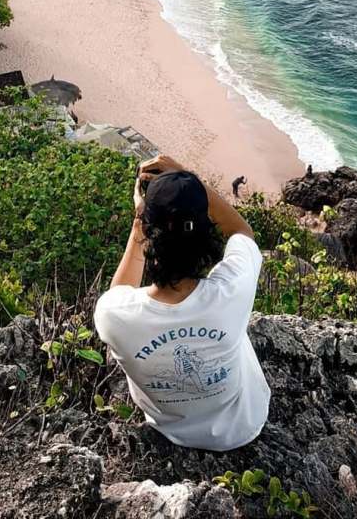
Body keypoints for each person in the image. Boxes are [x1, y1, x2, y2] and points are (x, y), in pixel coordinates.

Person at [94, 154, 270, 451]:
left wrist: (140, 221)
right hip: (242, 426)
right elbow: (242, 233)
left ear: (150, 235)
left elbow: (119, 292)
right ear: (205, 235)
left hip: (170, 432)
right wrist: (189, 178)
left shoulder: (115, 315)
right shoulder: (229, 293)